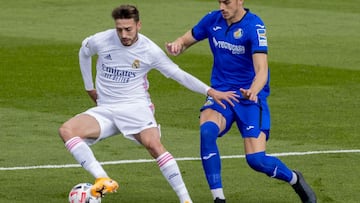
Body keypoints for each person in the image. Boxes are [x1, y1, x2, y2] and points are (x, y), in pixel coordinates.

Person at [58, 4, 239, 203]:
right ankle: (103, 179)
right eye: (119, 29)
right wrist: (89, 87)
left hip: (136, 107)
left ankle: (185, 200)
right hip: (106, 108)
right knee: (67, 130)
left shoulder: (149, 50)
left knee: (154, 146)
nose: (123, 34)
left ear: (138, 25)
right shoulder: (101, 40)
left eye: (128, 29)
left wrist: (210, 91)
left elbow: (178, 74)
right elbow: (84, 52)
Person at [166, 0, 317, 203]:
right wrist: (177, 45)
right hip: (222, 94)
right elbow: (185, 40)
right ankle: (219, 198)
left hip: (250, 98)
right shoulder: (213, 19)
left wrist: (253, 91)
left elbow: (262, 70)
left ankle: (294, 179)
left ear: (240, 1)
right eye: (219, 1)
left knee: (256, 160)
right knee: (207, 131)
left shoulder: (254, 26)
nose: (222, 6)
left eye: (226, 2)